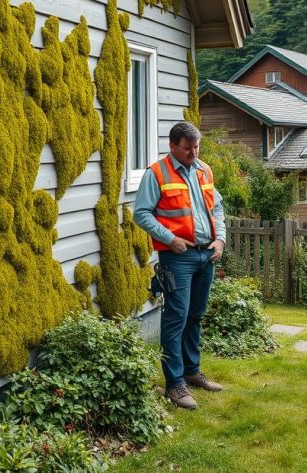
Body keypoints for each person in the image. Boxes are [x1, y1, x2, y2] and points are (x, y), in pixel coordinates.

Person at [133, 121, 226, 411]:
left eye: (196, 147)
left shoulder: (204, 170)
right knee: (176, 319)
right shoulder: (156, 173)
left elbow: (217, 208)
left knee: (195, 316)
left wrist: (220, 239)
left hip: (206, 254)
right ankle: (174, 384)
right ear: (173, 146)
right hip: (178, 256)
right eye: (188, 148)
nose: (193, 153)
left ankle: (192, 370)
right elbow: (141, 214)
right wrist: (169, 239)